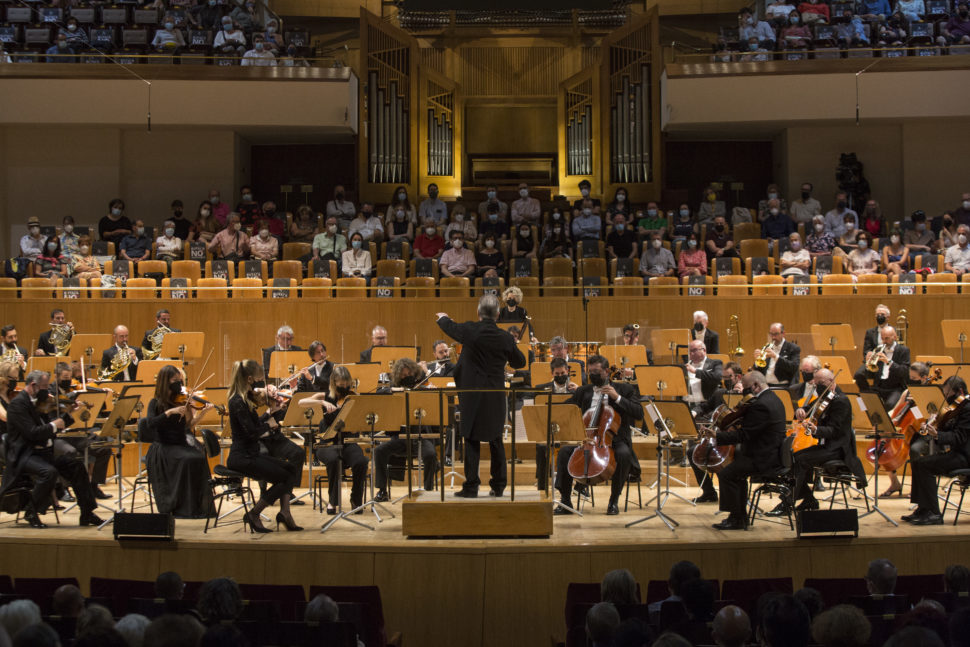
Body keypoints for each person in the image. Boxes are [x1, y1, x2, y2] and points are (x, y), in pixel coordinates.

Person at [436, 295, 526, 498]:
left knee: (471, 439)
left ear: (478, 313)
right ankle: (499, 485)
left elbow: (452, 328)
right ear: (497, 315)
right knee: (496, 440)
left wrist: (442, 317)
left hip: (472, 394)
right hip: (494, 394)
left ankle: (471, 486)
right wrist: (511, 346)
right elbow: (520, 362)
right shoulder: (504, 337)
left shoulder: (470, 331)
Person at [0, 370, 102, 528]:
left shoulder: (40, 404)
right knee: (49, 472)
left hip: (43, 453)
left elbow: (51, 429)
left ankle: (87, 513)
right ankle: (31, 511)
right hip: (24, 455)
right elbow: (32, 433)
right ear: (34, 386)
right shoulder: (18, 405)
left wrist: (68, 414)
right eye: (45, 387)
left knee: (76, 466)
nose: (47, 391)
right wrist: (55, 424)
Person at [557, 355, 644, 515]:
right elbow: (566, 408)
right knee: (564, 452)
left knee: (624, 454)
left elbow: (639, 413)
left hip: (614, 439)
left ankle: (613, 501)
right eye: (590, 372)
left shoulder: (624, 390)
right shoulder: (583, 391)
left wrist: (617, 398)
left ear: (606, 371)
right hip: (586, 439)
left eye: (596, 371)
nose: (593, 375)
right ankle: (565, 501)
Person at [772, 369, 865, 516]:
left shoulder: (841, 401)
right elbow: (809, 408)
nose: (817, 386)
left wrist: (816, 430)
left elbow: (835, 431)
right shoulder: (826, 397)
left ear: (831, 382)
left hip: (838, 449)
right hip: (826, 446)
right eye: (816, 383)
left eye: (821, 383)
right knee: (794, 457)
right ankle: (808, 499)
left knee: (799, 459)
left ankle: (788, 502)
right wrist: (801, 410)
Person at [226, 359, 302, 532]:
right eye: (259, 378)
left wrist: (270, 413)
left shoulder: (244, 399)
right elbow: (252, 433)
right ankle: (254, 513)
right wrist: (270, 425)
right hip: (242, 457)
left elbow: (253, 426)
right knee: (286, 477)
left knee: (290, 469)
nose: (261, 381)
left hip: (250, 454)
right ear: (250, 379)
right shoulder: (237, 401)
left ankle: (285, 512)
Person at [712, 371, 786, 530]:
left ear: (756, 386)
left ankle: (736, 519)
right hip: (769, 452)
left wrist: (718, 436)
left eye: (746, 388)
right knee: (737, 473)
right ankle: (739, 516)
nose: (745, 393)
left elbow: (745, 434)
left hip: (763, 458)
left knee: (727, 474)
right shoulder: (774, 398)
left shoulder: (761, 405)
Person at [144, 365, 215, 519]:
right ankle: (182, 506)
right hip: (163, 448)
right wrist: (169, 412)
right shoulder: (155, 402)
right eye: (175, 380)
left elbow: (188, 425)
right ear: (165, 381)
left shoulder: (182, 400)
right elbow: (151, 423)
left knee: (199, 457)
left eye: (180, 380)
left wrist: (201, 413)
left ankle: (198, 507)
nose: (179, 384)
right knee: (189, 459)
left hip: (180, 444)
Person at [300, 366, 367, 515]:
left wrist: (357, 426)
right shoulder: (325, 396)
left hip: (347, 442)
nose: (344, 388)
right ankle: (333, 501)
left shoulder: (353, 397)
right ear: (333, 383)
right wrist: (322, 403)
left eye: (346, 384)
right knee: (333, 460)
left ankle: (356, 498)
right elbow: (301, 403)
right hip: (326, 444)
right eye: (341, 385)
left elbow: (360, 422)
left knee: (361, 461)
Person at [905, 376, 970, 526]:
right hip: (957, 453)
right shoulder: (958, 408)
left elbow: (959, 437)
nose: (946, 399)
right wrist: (931, 425)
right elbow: (949, 429)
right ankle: (923, 508)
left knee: (924, 465)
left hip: (965, 457)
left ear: (959, 391)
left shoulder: (968, 409)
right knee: (917, 462)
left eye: (948, 395)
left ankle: (934, 513)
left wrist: (937, 434)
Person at [372, 359, 438, 500]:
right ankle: (382, 490)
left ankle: (428, 490)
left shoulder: (420, 389)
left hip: (420, 437)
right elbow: (379, 392)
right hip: (400, 438)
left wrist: (433, 392)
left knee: (431, 454)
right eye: (403, 375)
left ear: (414, 372)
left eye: (409, 373)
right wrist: (396, 390)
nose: (407, 377)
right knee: (379, 451)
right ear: (397, 376)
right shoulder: (394, 389)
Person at [532, 358, 581, 494]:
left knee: (581, 447)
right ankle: (542, 486)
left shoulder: (576, 389)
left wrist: (579, 391)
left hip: (570, 430)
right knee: (541, 446)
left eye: (563, 373)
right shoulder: (541, 389)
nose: (560, 376)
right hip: (549, 429)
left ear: (568, 371)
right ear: (552, 373)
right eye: (557, 374)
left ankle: (581, 486)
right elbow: (537, 412)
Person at [853, 325, 910, 408]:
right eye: (882, 338)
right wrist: (867, 362)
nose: (884, 341)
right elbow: (869, 372)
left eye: (886, 338)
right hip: (879, 386)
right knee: (861, 402)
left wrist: (888, 362)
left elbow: (904, 371)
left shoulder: (903, 350)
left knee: (889, 405)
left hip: (895, 388)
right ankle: (866, 416)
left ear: (894, 337)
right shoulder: (878, 349)